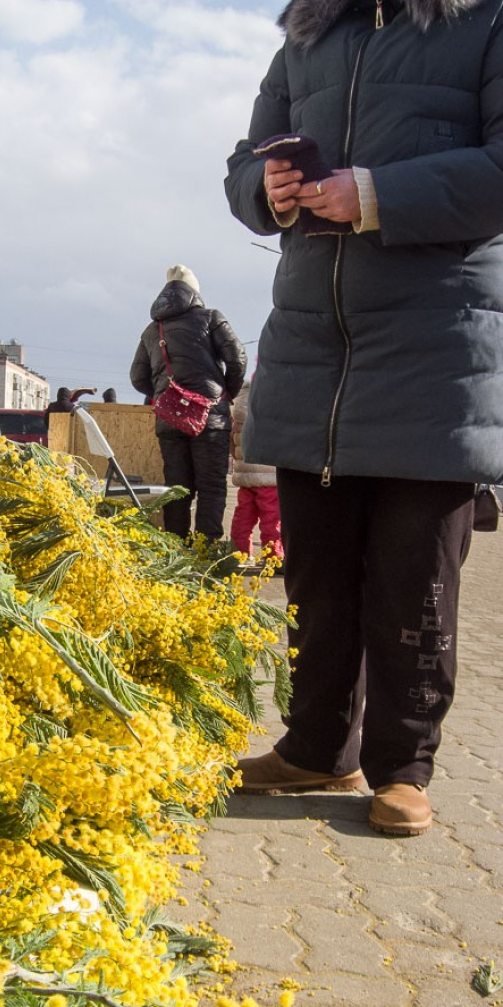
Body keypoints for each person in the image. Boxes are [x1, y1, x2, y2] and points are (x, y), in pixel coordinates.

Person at [224, 0, 503, 835]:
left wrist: (377, 194)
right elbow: (245, 160)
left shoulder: (486, 22)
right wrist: (264, 190)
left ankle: (402, 769)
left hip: (435, 347)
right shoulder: (307, 34)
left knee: (412, 583)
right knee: (315, 575)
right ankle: (314, 748)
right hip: (314, 345)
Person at [130, 265, 247, 543]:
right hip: (210, 419)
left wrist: (165, 397)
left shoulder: (152, 330)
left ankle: (176, 549)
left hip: (170, 420)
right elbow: (238, 358)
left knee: (177, 488)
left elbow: (136, 377)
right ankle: (207, 552)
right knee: (211, 486)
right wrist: (223, 395)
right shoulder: (211, 318)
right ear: (195, 292)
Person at [230, 376, 283, 570]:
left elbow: (232, 441)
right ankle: (273, 557)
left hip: (246, 474)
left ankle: (239, 553)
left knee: (243, 515)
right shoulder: (275, 401)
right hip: (269, 475)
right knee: (272, 518)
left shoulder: (241, 406)